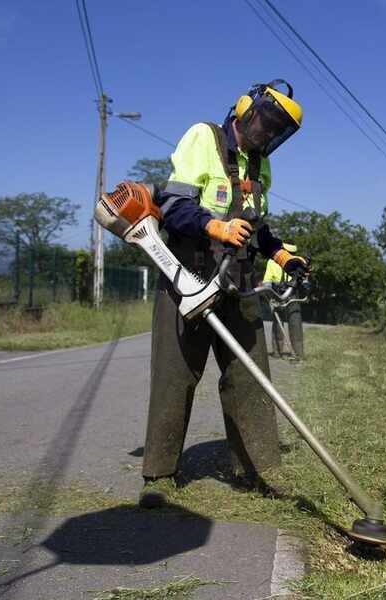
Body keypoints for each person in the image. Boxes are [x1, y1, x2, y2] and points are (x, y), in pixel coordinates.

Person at [139, 80, 309, 508]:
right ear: (246, 110)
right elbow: (172, 206)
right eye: (266, 123)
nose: (268, 134)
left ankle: (259, 470)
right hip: (188, 277)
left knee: (251, 374)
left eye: (277, 131)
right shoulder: (204, 137)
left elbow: (258, 227)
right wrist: (214, 226)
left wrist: (281, 254)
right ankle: (159, 475)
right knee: (175, 375)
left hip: (239, 279)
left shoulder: (259, 167)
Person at [263, 241, 304, 359]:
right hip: (277, 292)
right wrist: (269, 296)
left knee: (295, 321)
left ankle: (298, 353)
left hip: (292, 293)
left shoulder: (299, 262)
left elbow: (305, 281)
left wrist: (305, 288)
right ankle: (277, 352)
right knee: (278, 321)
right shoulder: (272, 262)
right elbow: (267, 281)